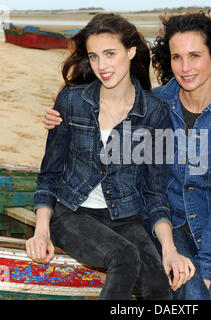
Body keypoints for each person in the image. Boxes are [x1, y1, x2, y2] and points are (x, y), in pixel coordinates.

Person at [43, 11, 211, 300]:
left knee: (196, 292)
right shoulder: (155, 105)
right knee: (173, 286)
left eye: (194, 56)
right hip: (158, 221)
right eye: (176, 57)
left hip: (209, 228)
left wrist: (207, 268)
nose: (185, 67)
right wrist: (59, 119)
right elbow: (109, 148)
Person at [26, 12, 195, 300]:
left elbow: (155, 194)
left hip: (126, 216)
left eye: (110, 54)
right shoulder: (71, 102)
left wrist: (169, 250)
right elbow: (49, 176)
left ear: (130, 52)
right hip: (71, 213)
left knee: (159, 290)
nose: (101, 66)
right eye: (94, 56)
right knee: (125, 256)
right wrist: (42, 231)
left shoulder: (155, 112)